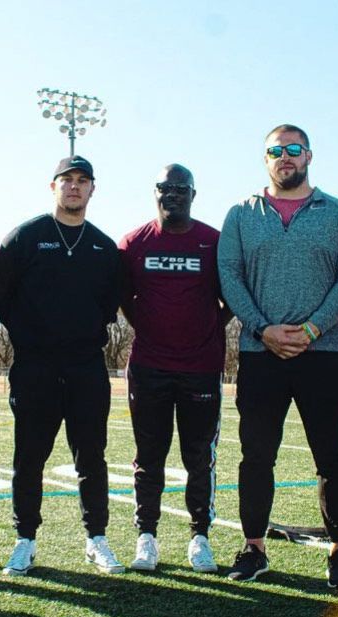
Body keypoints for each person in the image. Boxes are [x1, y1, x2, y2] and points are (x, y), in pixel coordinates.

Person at [217, 124, 338, 587]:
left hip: (323, 354)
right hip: (260, 355)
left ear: (309, 156)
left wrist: (313, 327)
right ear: (265, 160)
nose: (285, 157)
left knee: (333, 456)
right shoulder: (241, 214)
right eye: (275, 151)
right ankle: (254, 547)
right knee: (256, 456)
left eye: (293, 149)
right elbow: (229, 277)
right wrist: (263, 329)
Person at [0, 155, 123, 576]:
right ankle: (25, 540)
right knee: (29, 458)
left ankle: (96, 538)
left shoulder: (103, 246)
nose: (74, 187)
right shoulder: (26, 236)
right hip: (35, 366)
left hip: (85, 367)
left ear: (93, 189)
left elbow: (108, 305)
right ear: (53, 186)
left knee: (92, 458)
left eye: (83, 180)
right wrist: (30, 335)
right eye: (67, 180)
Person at [118, 164, 229, 573]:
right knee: (149, 455)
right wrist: (147, 326)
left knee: (199, 457)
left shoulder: (212, 242)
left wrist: (210, 327)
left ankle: (199, 536)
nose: (173, 194)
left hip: (201, 367)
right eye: (166, 187)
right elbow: (123, 298)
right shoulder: (134, 243)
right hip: (149, 367)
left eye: (181, 188)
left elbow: (231, 296)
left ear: (193, 194)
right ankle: (146, 536)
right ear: (156, 192)